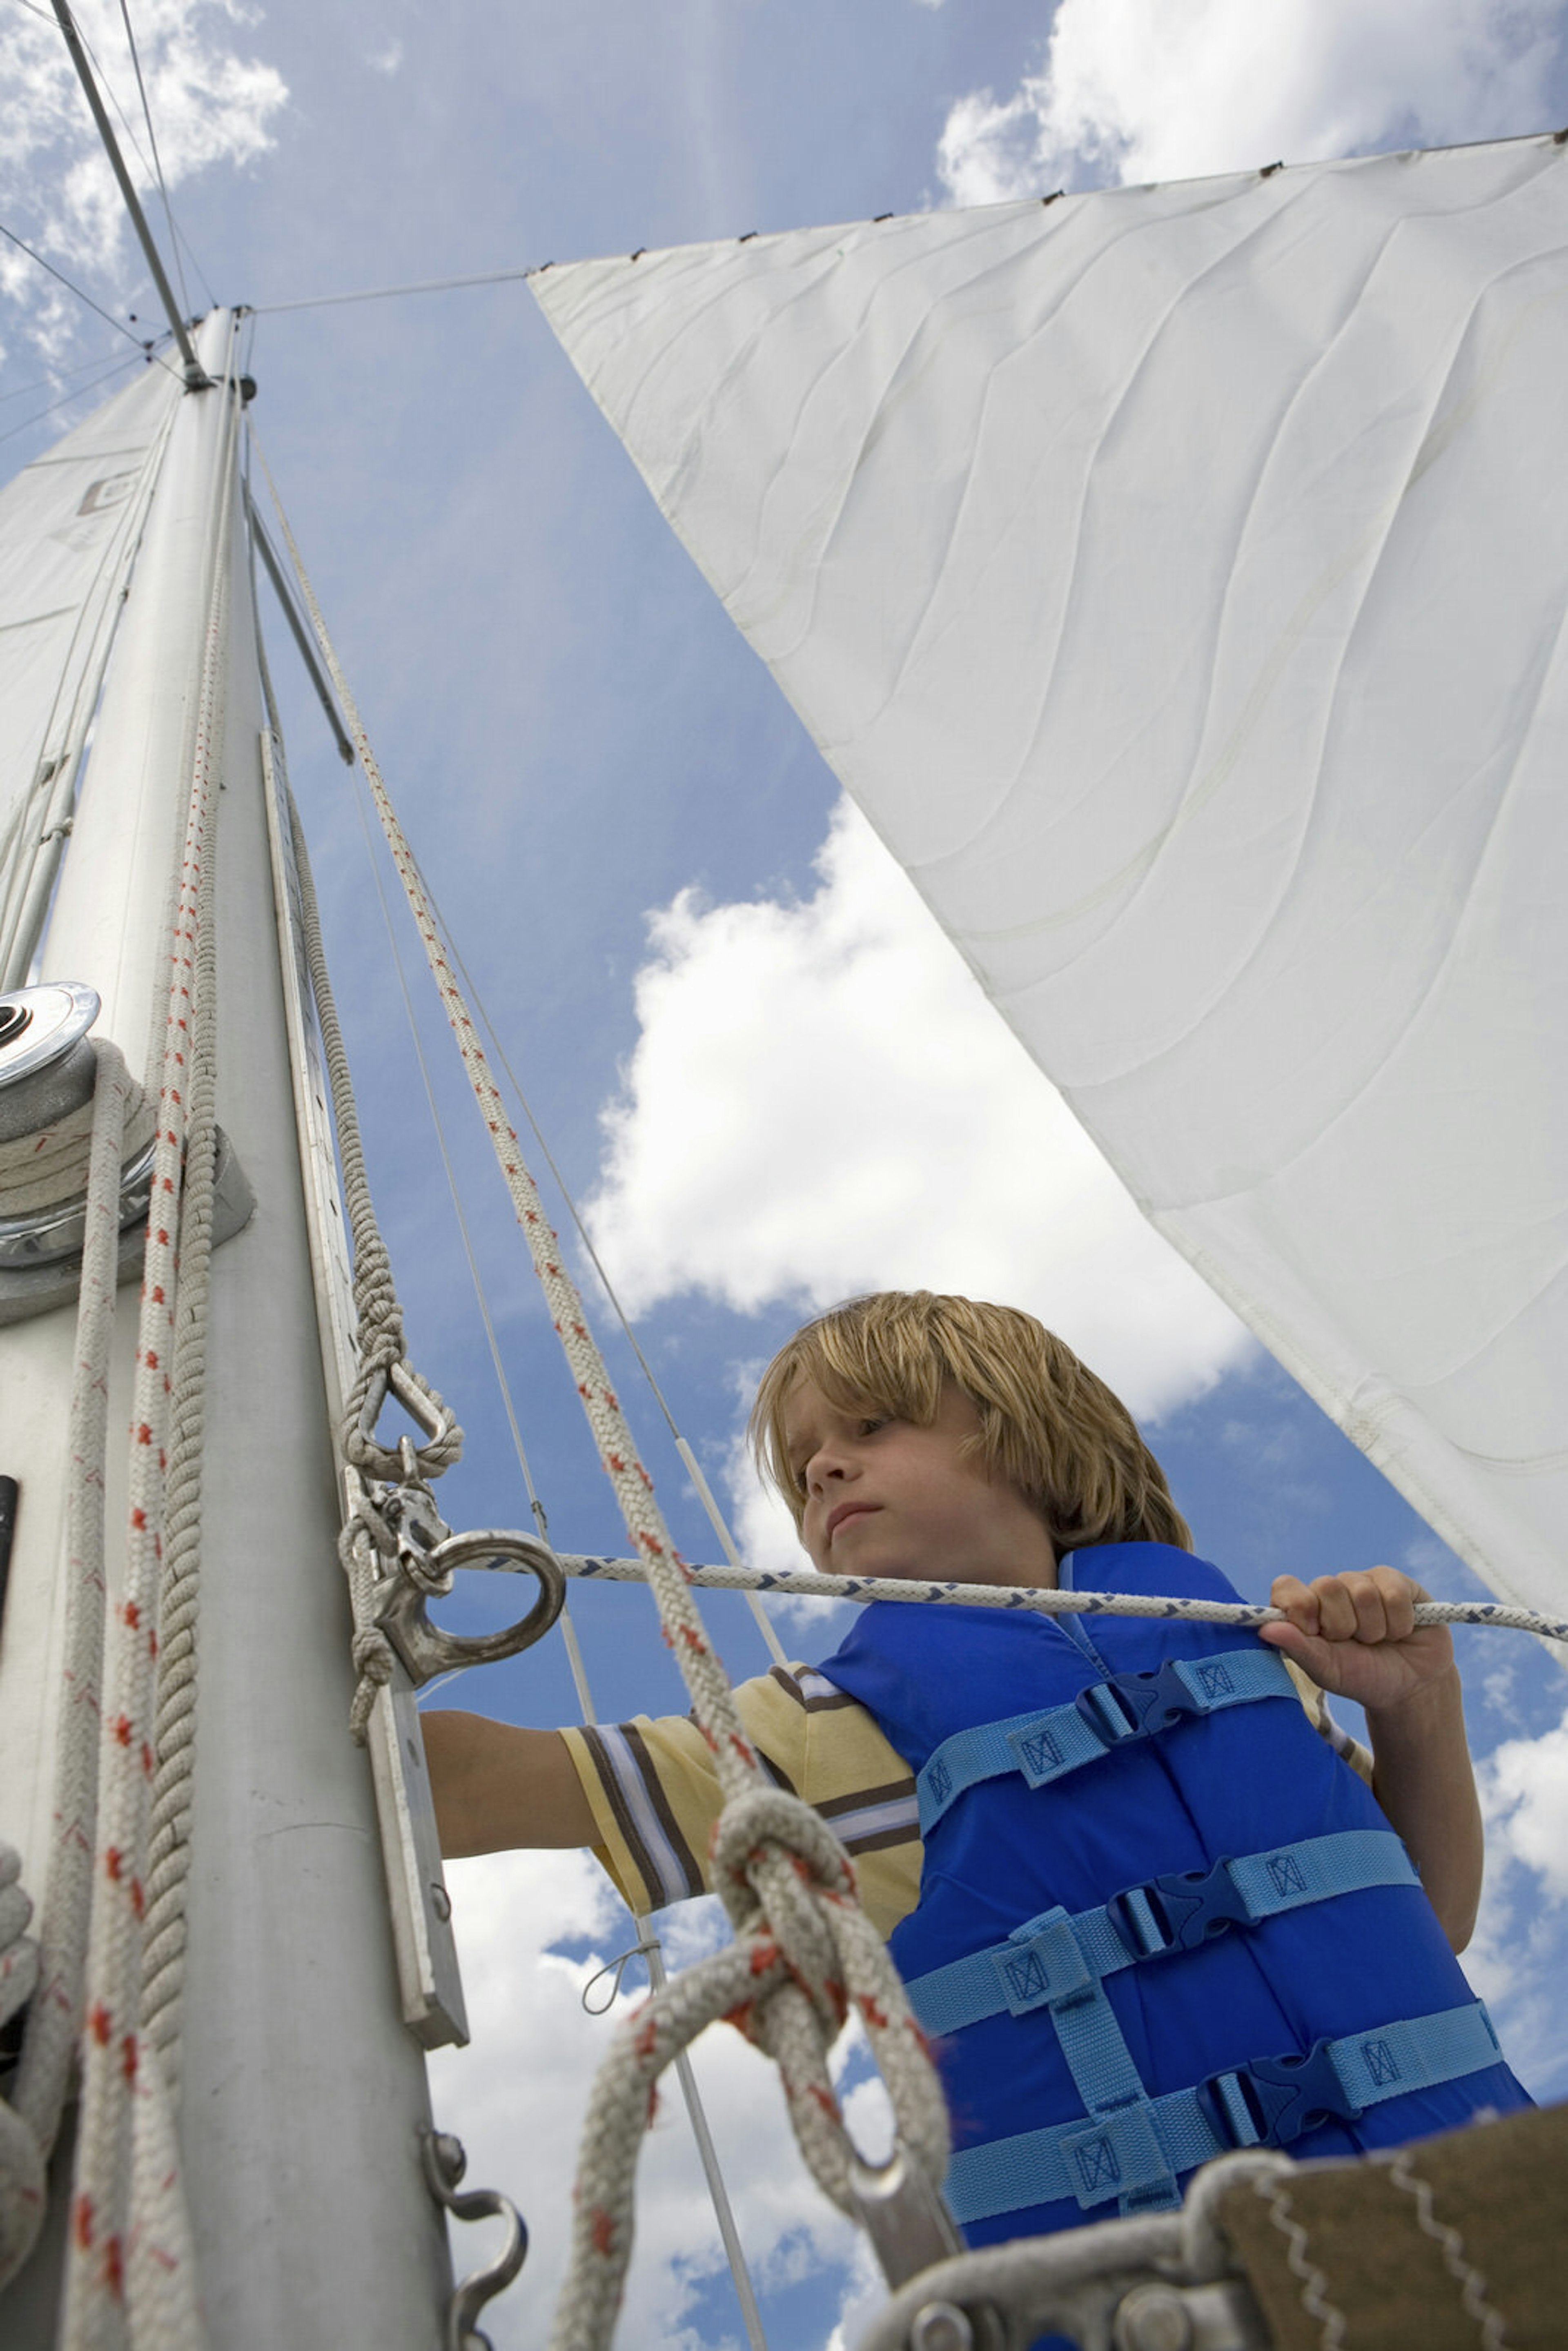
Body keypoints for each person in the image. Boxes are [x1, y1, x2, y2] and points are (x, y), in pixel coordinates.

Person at [422, 1291, 1529, 2243]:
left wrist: (1419, 1706)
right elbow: (474, 1782)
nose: (823, 1466)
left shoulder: (1246, 1659)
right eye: (803, 1467)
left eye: (871, 1425)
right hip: (1158, 2293)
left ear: (1032, 1439)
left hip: (1479, 2229)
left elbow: (1433, 1916)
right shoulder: (818, 1729)